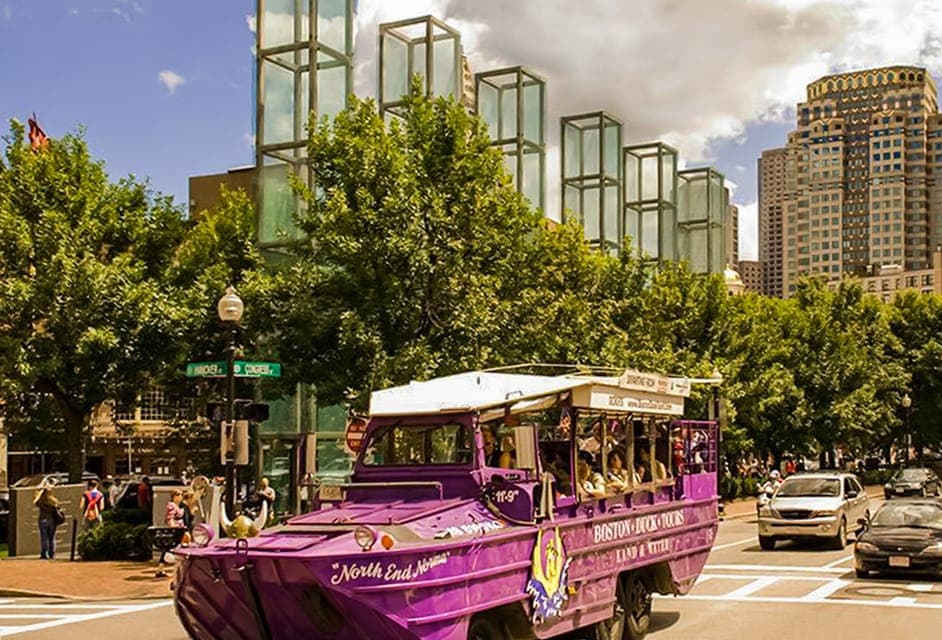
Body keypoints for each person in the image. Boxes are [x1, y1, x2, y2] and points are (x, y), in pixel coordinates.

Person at [34, 483, 61, 559]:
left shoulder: (41, 501)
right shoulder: (53, 501)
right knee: (52, 538)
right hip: (52, 520)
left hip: (43, 519)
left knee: (44, 537)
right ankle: (52, 553)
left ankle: (44, 553)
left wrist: (40, 492)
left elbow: (36, 502)